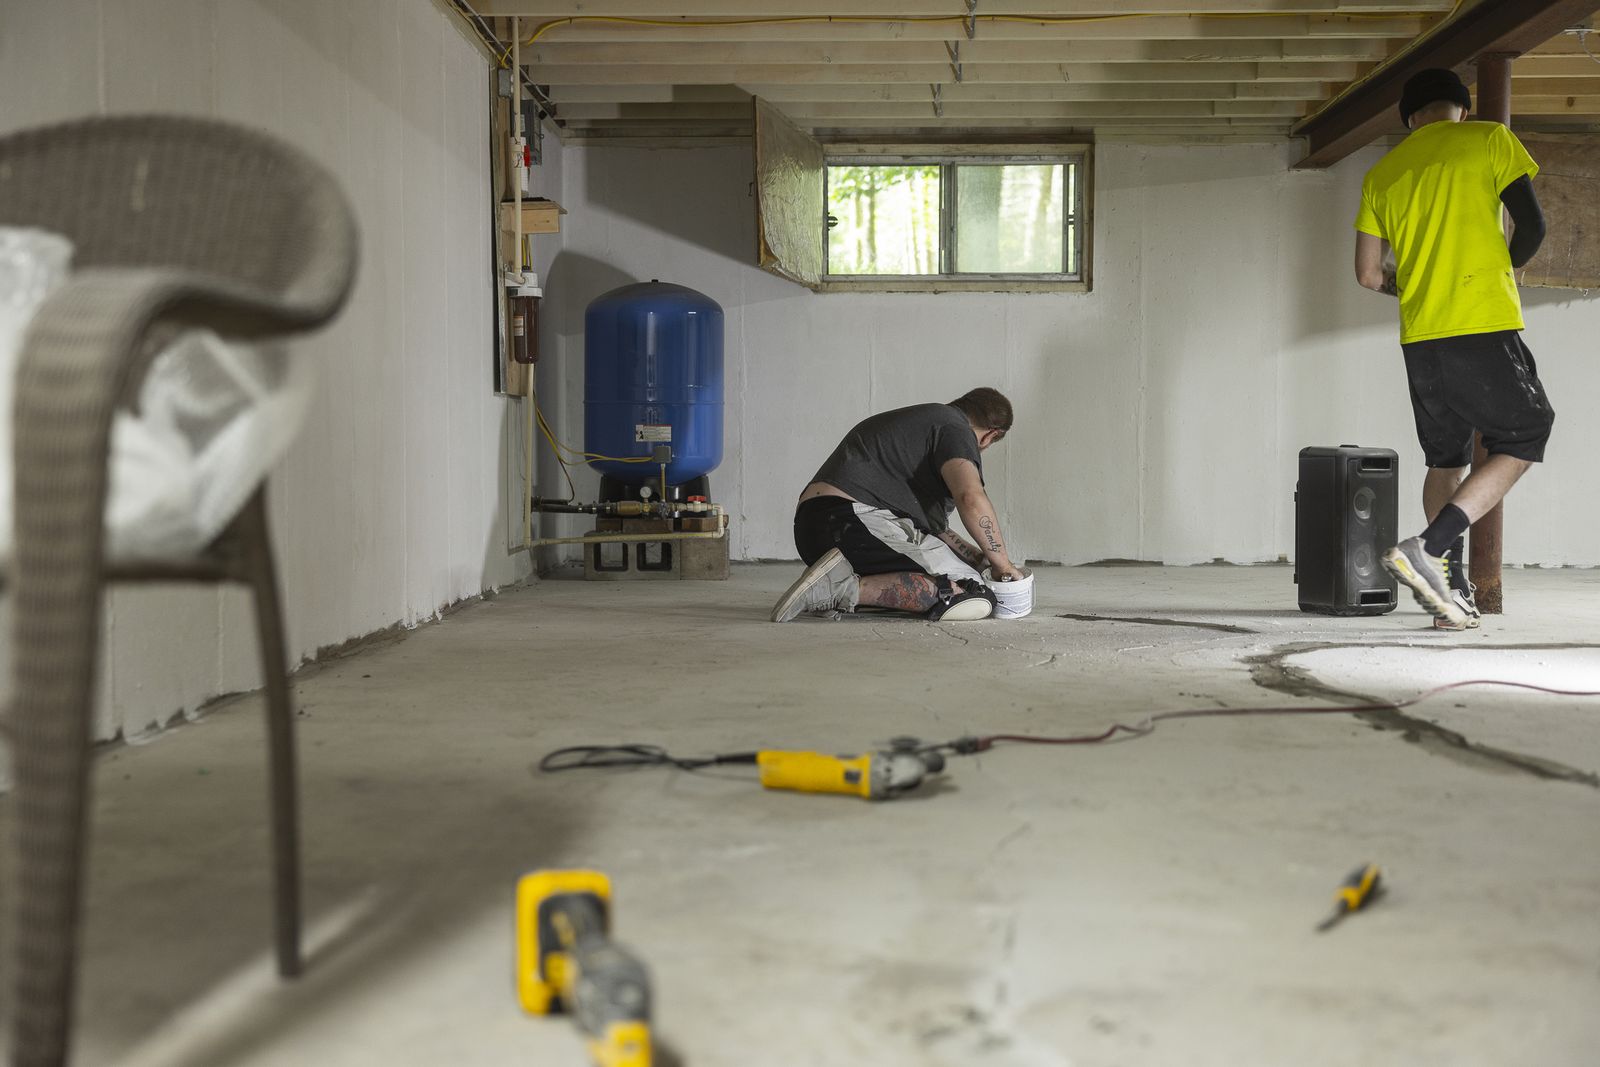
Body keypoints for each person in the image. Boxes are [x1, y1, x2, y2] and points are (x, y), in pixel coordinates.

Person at [1353, 67, 1551, 630]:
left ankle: (1450, 595)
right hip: (1480, 322)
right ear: (1461, 109)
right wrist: (1496, 271)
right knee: (1527, 431)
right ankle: (1428, 547)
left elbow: (1368, 274)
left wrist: (1414, 284)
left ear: (1410, 120)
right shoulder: (1488, 138)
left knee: (1446, 456)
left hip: (1421, 336)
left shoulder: (1383, 173)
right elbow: (1533, 226)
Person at [769, 387, 1024, 623]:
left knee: (968, 577)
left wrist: (981, 560)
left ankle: (840, 586)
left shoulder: (922, 425)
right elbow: (971, 497)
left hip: (819, 529)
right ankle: (840, 590)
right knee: (972, 595)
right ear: (990, 436)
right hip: (850, 521)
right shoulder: (956, 428)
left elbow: (936, 532)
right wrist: (1003, 565)